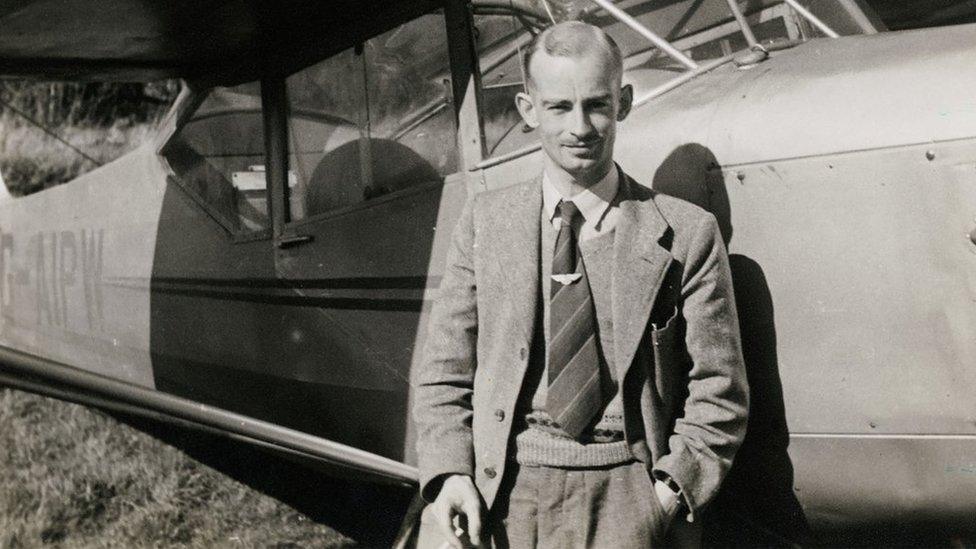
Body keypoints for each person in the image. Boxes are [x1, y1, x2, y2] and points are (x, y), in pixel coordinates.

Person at [412, 20, 749, 548]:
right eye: (559, 107)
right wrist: (451, 474)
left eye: (597, 103)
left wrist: (664, 496)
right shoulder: (485, 223)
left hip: (629, 493)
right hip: (506, 490)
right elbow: (443, 375)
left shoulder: (688, 233)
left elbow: (721, 393)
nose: (581, 126)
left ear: (625, 101)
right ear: (527, 110)